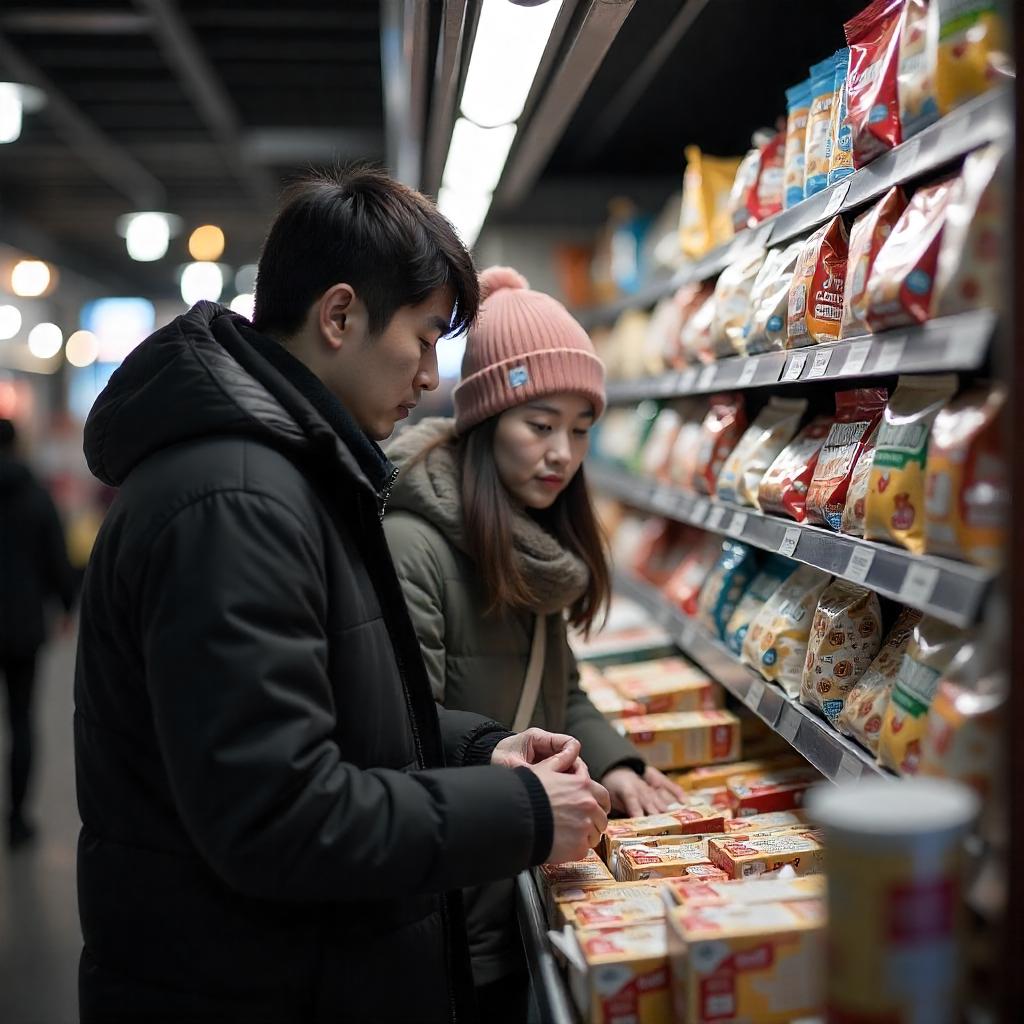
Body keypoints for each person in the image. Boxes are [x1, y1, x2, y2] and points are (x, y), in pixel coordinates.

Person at [74, 168, 609, 1023]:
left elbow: (331, 715)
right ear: (339, 316)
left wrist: (480, 754)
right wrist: (518, 812)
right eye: (427, 337)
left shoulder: (286, 472)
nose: (431, 377)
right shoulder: (235, 498)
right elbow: (277, 814)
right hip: (248, 987)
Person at [383, 266, 687, 1019]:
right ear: (485, 422)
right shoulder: (413, 548)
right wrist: (525, 801)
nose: (563, 454)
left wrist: (614, 762)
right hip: (456, 909)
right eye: (540, 425)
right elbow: (402, 740)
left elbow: (563, 688)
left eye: (581, 429)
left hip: (521, 883)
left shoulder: (537, 548)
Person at [0, 418, 75, 847]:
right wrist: (66, 605)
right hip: (23, 626)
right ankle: (17, 820)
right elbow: (56, 555)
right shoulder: (35, 495)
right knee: (21, 720)